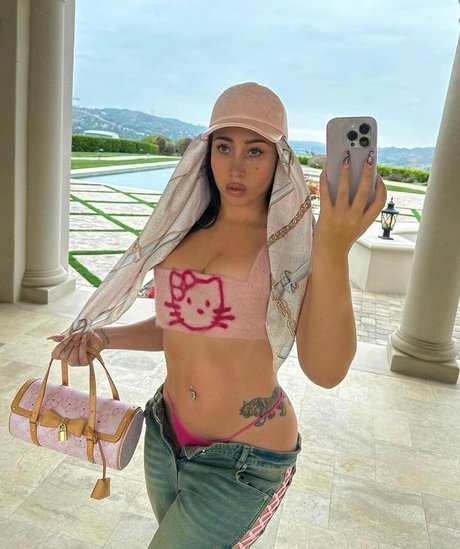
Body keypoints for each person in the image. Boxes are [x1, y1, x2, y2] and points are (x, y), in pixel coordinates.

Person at [50, 82, 386, 548]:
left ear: (279, 159)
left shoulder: (293, 246)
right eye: (224, 146)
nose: (236, 166)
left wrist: (333, 248)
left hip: (244, 459)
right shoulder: (186, 231)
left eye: (255, 150)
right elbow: (179, 326)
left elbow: (326, 372)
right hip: (165, 435)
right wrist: (104, 337)